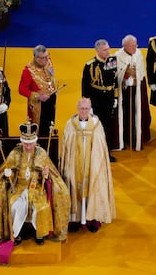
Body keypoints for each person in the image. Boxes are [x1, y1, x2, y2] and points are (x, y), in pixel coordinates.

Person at [0, 120, 70, 263]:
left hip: (37, 190)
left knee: (40, 207)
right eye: (26, 143)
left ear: (35, 142)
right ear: (22, 142)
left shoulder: (41, 153)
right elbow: (4, 170)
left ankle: (39, 234)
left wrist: (46, 176)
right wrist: (8, 174)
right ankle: (17, 233)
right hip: (19, 189)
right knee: (15, 206)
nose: (28, 146)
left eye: (31, 143)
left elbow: (52, 174)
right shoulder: (15, 153)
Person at [59, 98, 116, 233]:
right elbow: (66, 147)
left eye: (86, 109)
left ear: (90, 109)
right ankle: (75, 219)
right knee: (73, 186)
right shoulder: (70, 124)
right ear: (77, 108)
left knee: (92, 186)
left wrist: (97, 163)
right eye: (81, 108)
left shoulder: (96, 124)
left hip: (92, 166)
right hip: (75, 166)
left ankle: (92, 219)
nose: (84, 111)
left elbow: (101, 147)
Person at [82, 39, 118, 162]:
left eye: (108, 49)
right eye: (104, 50)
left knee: (108, 126)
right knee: (96, 127)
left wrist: (116, 98)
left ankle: (107, 152)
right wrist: (88, 104)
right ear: (97, 51)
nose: (108, 52)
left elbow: (115, 80)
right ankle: (95, 153)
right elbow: (85, 86)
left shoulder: (113, 60)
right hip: (97, 100)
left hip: (109, 98)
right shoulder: (90, 65)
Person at [115, 34, 151, 151]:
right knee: (126, 115)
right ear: (125, 46)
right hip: (125, 92)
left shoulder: (138, 53)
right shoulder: (117, 56)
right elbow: (117, 75)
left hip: (137, 89)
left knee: (139, 113)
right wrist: (126, 73)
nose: (135, 48)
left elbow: (141, 72)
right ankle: (125, 138)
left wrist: (136, 74)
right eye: (132, 46)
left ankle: (139, 137)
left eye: (136, 45)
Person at [19, 44, 57, 137]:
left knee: (50, 126)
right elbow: (21, 89)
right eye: (44, 57)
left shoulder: (48, 61)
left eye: (47, 56)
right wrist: (38, 96)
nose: (47, 59)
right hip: (38, 105)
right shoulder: (28, 71)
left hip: (50, 100)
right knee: (39, 130)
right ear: (37, 58)